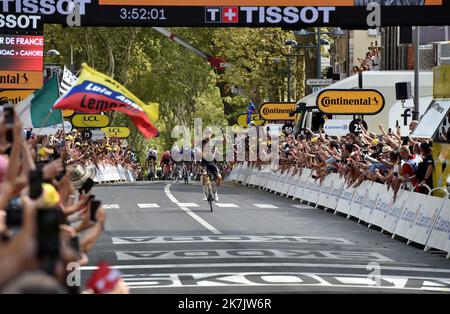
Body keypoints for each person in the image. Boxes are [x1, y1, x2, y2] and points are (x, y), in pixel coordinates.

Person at [201, 128, 222, 201]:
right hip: (204, 163)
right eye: (206, 133)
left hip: (212, 163)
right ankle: (204, 193)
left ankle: (215, 192)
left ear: (211, 134)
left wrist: (223, 133)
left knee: (219, 177)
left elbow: (226, 141)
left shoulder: (214, 141)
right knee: (204, 174)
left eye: (209, 133)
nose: (208, 134)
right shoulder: (202, 142)